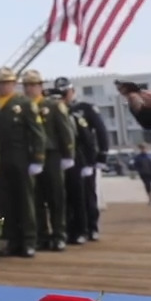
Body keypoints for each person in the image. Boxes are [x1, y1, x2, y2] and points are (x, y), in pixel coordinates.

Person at [0, 68, 45, 258]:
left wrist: (38, 158)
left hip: (21, 158)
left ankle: (29, 241)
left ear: (14, 84)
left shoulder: (24, 103)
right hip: (0, 160)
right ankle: (12, 240)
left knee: (25, 201)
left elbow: (37, 132)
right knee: (5, 203)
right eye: (1, 83)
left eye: (7, 82)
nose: (4, 86)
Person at [21, 70, 74, 251]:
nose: (30, 89)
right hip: (30, 157)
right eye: (27, 85)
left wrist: (68, 155)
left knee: (55, 197)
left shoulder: (52, 105)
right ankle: (42, 235)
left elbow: (65, 131)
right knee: (35, 199)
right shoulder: (22, 107)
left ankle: (59, 234)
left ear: (41, 87)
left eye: (33, 85)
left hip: (51, 155)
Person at [55, 77, 108, 240]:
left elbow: (100, 131)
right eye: (61, 93)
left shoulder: (85, 108)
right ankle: (74, 228)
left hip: (84, 157)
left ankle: (91, 227)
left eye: (66, 92)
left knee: (88, 193)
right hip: (64, 156)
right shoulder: (56, 108)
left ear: (73, 91)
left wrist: (101, 156)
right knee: (69, 194)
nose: (64, 96)